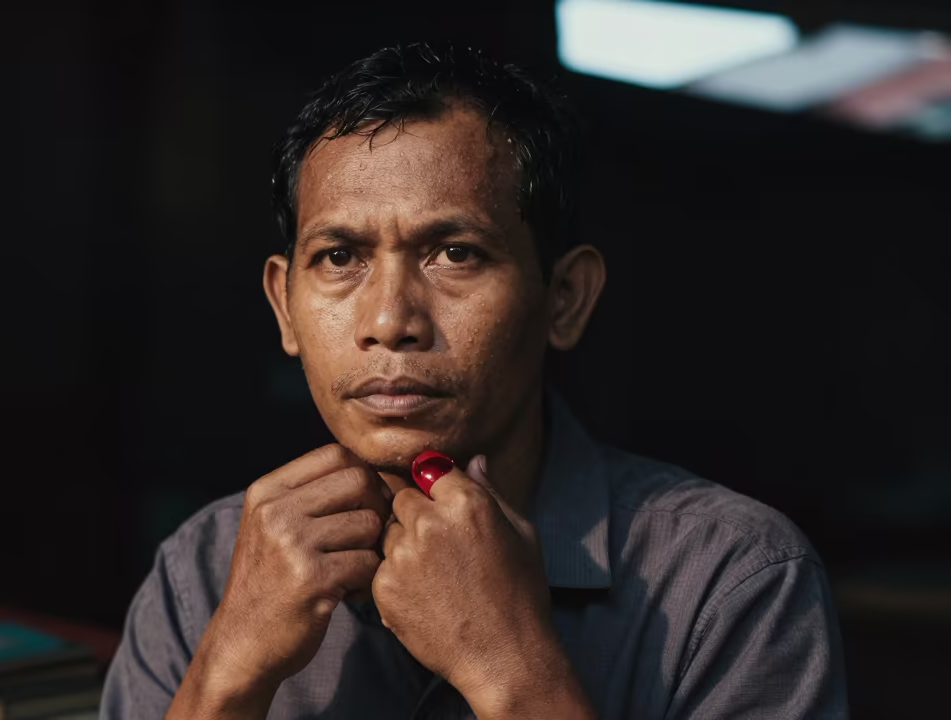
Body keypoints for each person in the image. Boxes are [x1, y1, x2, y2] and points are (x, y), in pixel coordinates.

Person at [98, 43, 849, 719]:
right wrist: (228, 675)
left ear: (564, 299)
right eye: (338, 258)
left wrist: (511, 668)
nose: (390, 320)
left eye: (454, 253)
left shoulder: (731, 584)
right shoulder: (208, 568)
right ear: (284, 307)